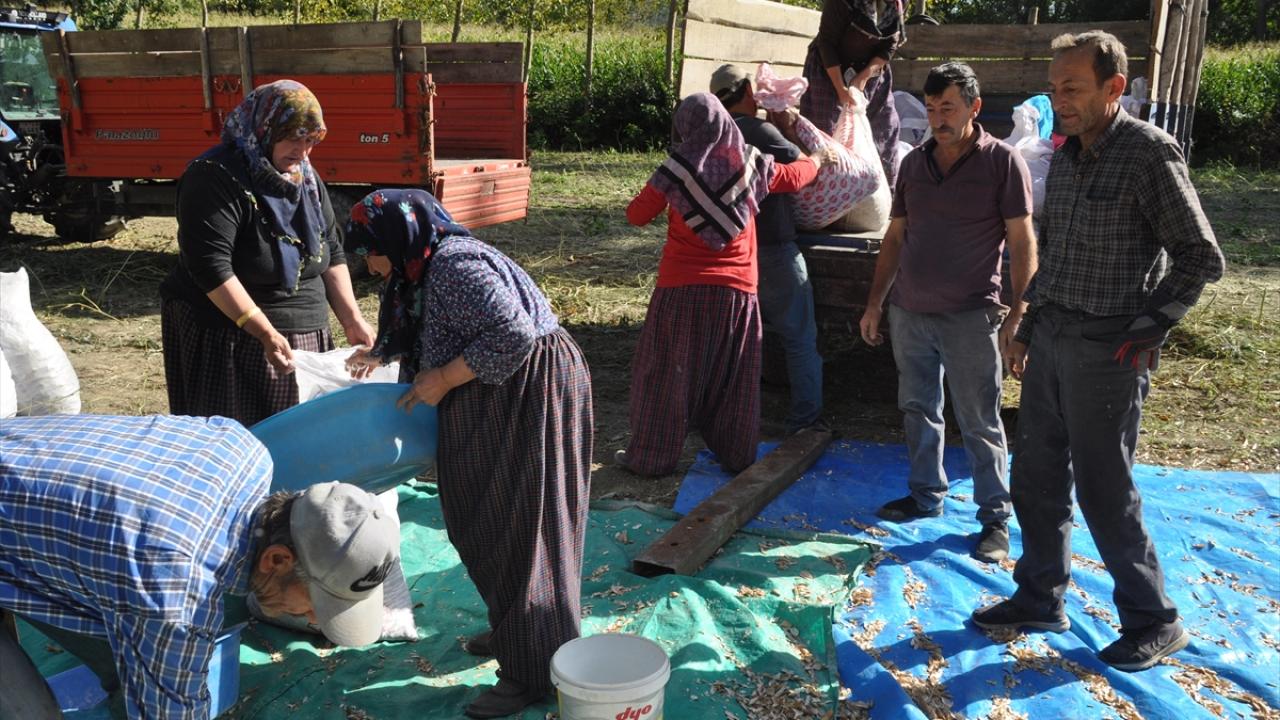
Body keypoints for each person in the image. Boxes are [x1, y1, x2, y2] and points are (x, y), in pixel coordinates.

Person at [970, 32, 1224, 672]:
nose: (1060, 101)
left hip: (1108, 350)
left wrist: (1147, 329)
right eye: (1054, 89)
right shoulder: (1070, 155)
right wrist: (1027, 325)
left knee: (1105, 490)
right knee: (1035, 477)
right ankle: (1039, 597)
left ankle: (1154, 619)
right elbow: (1055, 254)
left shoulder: (1148, 154)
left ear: (1114, 88)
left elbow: (1200, 257)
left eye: (1073, 89)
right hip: (1053, 338)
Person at [343, 189, 593, 719]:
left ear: (400, 237)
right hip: (497, 391)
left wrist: (441, 378)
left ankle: (531, 671)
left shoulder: (454, 266)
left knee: (520, 527)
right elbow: (435, 323)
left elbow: (513, 333)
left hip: (526, 392)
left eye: (372, 251)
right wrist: (382, 352)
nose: (370, 265)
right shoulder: (423, 265)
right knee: (482, 519)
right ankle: (519, 631)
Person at [0, 414, 400, 720]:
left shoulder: (242, 448)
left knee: (128, 666)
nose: (313, 619)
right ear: (277, 559)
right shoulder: (176, 598)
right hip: (25, 506)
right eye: (317, 604)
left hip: (24, 464)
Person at [859, 62, 1036, 563]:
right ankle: (925, 495)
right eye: (932, 108)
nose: (938, 118)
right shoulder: (915, 164)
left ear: (974, 107)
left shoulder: (1002, 162)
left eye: (949, 108)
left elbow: (1022, 241)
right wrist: (875, 303)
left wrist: (1020, 312)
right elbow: (896, 237)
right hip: (910, 311)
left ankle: (995, 519)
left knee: (979, 419)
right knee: (918, 407)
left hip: (971, 315)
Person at [617, 93, 826, 477]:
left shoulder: (676, 170)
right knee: (734, 376)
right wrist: (816, 159)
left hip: (680, 290)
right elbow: (797, 177)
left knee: (666, 374)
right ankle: (736, 455)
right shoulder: (752, 163)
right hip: (736, 292)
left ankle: (652, 457)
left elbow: (635, 216)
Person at [160, 79, 374, 427]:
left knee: (299, 434)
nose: (303, 152)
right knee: (241, 435)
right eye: (293, 138)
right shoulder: (213, 177)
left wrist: (352, 320)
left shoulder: (304, 177)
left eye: (311, 141)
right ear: (264, 130)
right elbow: (210, 266)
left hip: (303, 330)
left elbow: (331, 249)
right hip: (232, 335)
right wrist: (263, 331)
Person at [710, 64, 826, 434]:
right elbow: (800, 169)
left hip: (726, 253)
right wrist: (817, 155)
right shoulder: (758, 131)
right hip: (773, 250)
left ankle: (732, 418)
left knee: (738, 340)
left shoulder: (709, 135)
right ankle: (805, 422)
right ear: (748, 91)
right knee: (799, 337)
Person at [800, 0, 905, 188]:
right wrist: (841, 89)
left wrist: (863, 77)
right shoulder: (843, 3)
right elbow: (827, 43)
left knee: (886, 127)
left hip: (870, 70)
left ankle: (886, 193)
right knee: (825, 133)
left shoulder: (898, 3)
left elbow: (890, 45)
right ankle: (823, 193)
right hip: (828, 67)